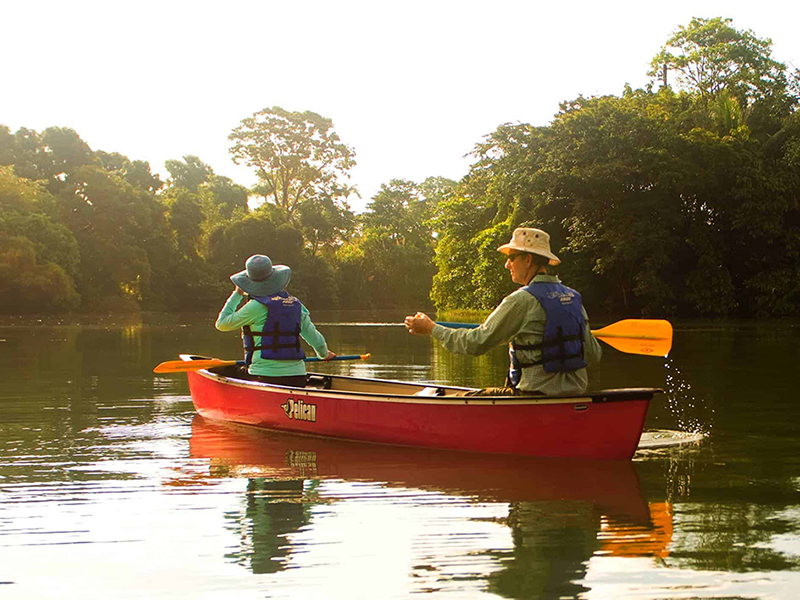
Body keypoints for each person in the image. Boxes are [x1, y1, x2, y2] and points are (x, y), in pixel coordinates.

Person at [404, 227, 601, 396]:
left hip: (530, 397)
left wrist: (432, 328)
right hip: (574, 397)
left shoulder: (521, 300)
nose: (507, 264)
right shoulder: (573, 298)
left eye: (511, 258)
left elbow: (476, 343)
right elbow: (594, 355)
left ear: (528, 259)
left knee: (454, 398)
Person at [215, 254, 335, 387]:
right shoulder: (295, 304)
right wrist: (324, 354)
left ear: (249, 283)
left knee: (218, 370)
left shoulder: (254, 307)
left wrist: (237, 294)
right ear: (275, 279)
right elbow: (313, 337)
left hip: (263, 377)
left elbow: (221, 324)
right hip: (298, 378)